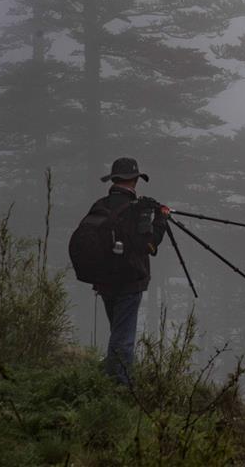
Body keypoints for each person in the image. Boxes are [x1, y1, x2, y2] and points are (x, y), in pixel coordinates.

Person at [92, 157, 166, 384]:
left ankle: (110, 380)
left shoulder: (100, 205)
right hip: (129, 283)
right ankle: (119, 389)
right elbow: (149, 245)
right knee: (123, 338)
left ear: (114, 179)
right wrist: (161, 219)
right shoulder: (138, 210)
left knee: (117, 331)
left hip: (104, 280)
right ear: (134, 180)